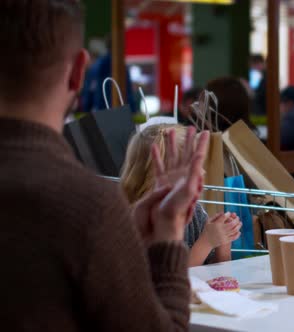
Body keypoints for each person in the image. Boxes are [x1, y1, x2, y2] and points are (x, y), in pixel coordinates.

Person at [0, 1, 208, 330]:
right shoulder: (86, 205)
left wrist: (128, 241)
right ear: (78, 71)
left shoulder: (95, 210)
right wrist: (167, 239)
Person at [120, 124, 242, 267]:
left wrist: (222, 242)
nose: (202, 172)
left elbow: (218, 276)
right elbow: (167, 280)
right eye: (192, 168)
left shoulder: (195, 213)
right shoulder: (135, 222)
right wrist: (207, 242)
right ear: (158, 176)